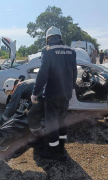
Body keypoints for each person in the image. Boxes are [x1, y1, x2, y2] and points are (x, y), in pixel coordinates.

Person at [31, 26, 77, 160]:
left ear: (48, 38)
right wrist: (72, 88)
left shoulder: (48, 51)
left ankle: (53, 150)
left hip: (53, 93)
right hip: (66, 93)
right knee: (62, 119)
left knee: (52, 122)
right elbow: (74, 72)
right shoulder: (71, 51)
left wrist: (35, 92)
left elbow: (42, 73)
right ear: (60, 37)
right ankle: (61, 144)